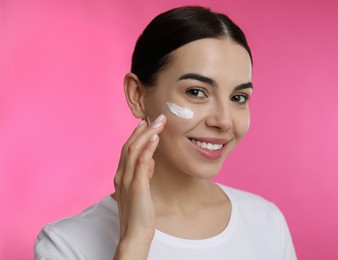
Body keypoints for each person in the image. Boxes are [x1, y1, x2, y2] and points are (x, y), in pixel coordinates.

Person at [35, 6, 297, 260]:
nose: (224, 121)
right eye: (196, 92)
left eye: (238, 97)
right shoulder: (66, 245)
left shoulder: (266, 222)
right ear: (137, 95)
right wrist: (135, 240)